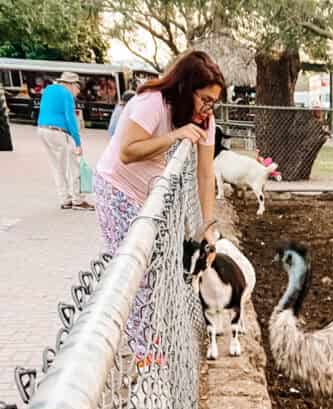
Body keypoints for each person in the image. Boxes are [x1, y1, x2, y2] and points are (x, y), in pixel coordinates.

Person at [94, 50, 224, 367]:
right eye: (205, 99)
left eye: (214, 102)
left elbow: (205, 175)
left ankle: (150, 340)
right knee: (135, 269)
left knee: (155, 269)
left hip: (148, 196)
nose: (209, 107)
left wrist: (209, 227)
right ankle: (146, 355)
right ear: (184, 88)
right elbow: (127, 151)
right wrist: (175, 135)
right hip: (118, 188)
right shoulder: (152, 102)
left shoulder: (205, 119)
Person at [37, 71, 93, 211]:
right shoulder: (66, 94)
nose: (77, 92)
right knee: (74, 166)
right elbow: (71, 119)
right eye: (78, 88)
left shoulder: (48, 90)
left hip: (42, 130)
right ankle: (78, 200)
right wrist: (78, 142)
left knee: (57, 166)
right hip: (59, 132)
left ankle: (65, 199)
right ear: (71, 84)